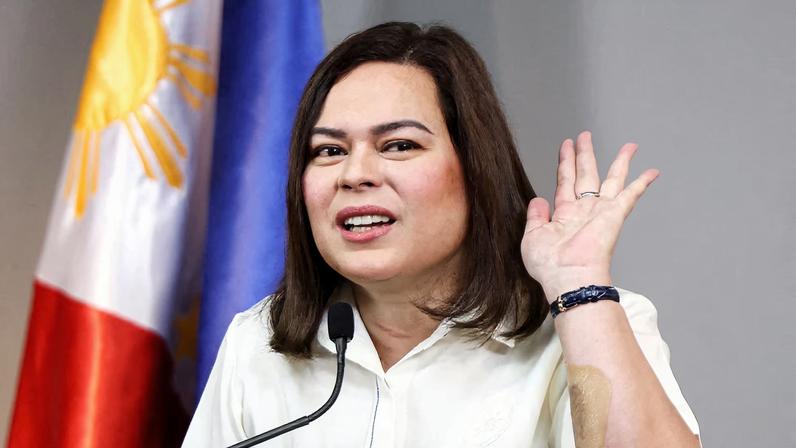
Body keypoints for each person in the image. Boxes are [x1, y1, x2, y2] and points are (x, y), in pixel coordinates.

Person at [183, 22, 701, 447]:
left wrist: (579, 285)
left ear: (475, 171)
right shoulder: (258, 344)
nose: (354, 173)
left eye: (399, 145)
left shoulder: (589, 325)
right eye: (328, 150)